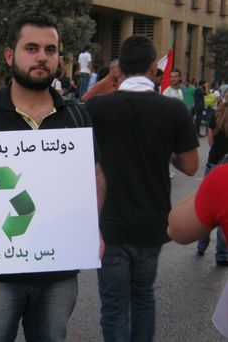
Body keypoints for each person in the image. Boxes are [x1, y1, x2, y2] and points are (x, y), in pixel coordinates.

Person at [0, 14, 106, 342]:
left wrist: (93, 226)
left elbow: (94, 176)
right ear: (10, 55)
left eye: (51, 50)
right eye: (32, 48)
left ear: (59, 59)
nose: (42, 57)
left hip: (58, 271)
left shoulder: (76, 115)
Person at [86, 35, 199, 342]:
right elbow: (190, 166)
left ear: (119, 68)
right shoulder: (173, 111)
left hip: (109, 224)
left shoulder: (98, 107)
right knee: (144, 298)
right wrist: (166, 150)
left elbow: (76, 120)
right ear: (154, 68)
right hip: (152, 222)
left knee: (112, 307)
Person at [195, 91, 228, 265]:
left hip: (214, 164)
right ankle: (222, 254)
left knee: (207, 208)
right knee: (225, 211)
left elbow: (210, 140)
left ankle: (201, 245)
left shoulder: (216, 115)